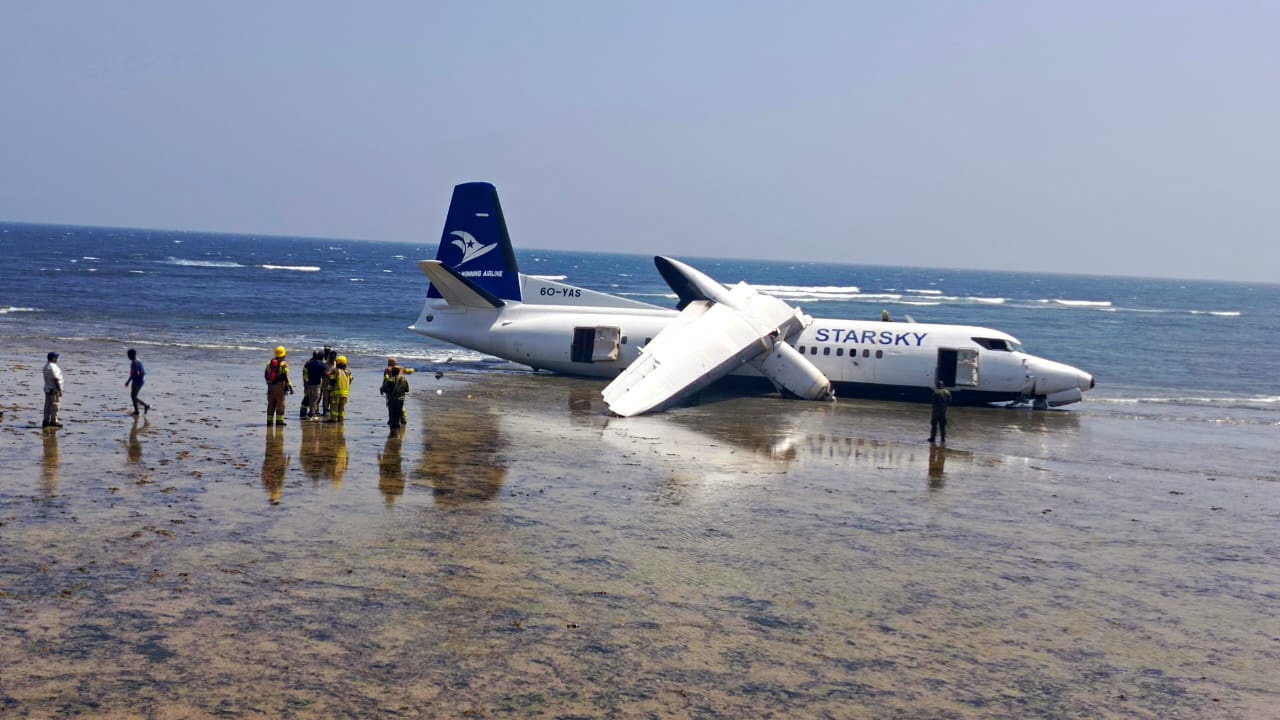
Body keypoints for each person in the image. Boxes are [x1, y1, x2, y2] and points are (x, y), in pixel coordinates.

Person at [264, 346, 294, 425]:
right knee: (280, 404)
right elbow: (286, 376)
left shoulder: (269, 362)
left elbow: (266, 374)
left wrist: (269, 383)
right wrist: (290, 387)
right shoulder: (284, 363)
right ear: (284, 354)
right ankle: (279, 421)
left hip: (270, 386)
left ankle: (269, 421)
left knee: (271, 404)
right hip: (280, 386)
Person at [384, 357, 416, 425]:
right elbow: (408, 371)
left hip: (391, 389)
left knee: (390, 405)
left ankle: (391, 420)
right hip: (400, 389)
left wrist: (385, 385)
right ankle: (403, 418)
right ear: (396, 363)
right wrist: (413, 370)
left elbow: (386, 378)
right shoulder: (400, 369)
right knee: (401, 406)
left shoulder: (387, 370)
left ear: (389, 363)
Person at [125, 348, 151, 416]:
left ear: (131, 355)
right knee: (134, 396)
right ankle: (142, 407)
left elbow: (134, 373)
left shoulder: (134, 363)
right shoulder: (139, 361)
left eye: (128, 355)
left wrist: (128, 381)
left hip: (136, 381)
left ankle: (142, 407)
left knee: (133, 396)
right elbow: (142, 372)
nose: (128, 357)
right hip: (141, 380)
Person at [302, 350, 327, 420]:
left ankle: (310, 413)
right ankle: (312, 414)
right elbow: (325, 373)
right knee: (315, 399)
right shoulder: (321, 364)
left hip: (309, 383)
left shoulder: (308, 363)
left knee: (310, 399)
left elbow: (305, 374)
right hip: (317, 384)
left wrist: (305, 384)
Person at [327, 355, 352, 423]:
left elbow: (330, 378)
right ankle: (341, 419)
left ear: (337, 363)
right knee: (342, 408)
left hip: (336, 393)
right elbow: (351, 380)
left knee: (334, 407)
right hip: (345, 394)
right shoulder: (348, 372)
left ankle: (333, 419)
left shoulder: (336, 371)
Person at [42, 351, 64, 428]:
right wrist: (60, 390)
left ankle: (46, 420)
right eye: (56, 357)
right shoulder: (53, 367)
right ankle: (54, 421)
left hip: (47, 388)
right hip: (53, 389)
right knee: (55, 405)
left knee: (47, 405)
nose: (57, 359)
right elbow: (55, 379)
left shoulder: (46, 366)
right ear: (53, 358)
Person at [928, 380, 952, 444]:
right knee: (942, 426)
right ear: (943, 385)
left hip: (936, 412)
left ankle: (932, 438)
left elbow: (933, 402)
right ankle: (943, 438)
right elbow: (950, 401)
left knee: (934, 425)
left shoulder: (936, 392)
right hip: (944, 411)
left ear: (937, 385)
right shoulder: (947, 392)